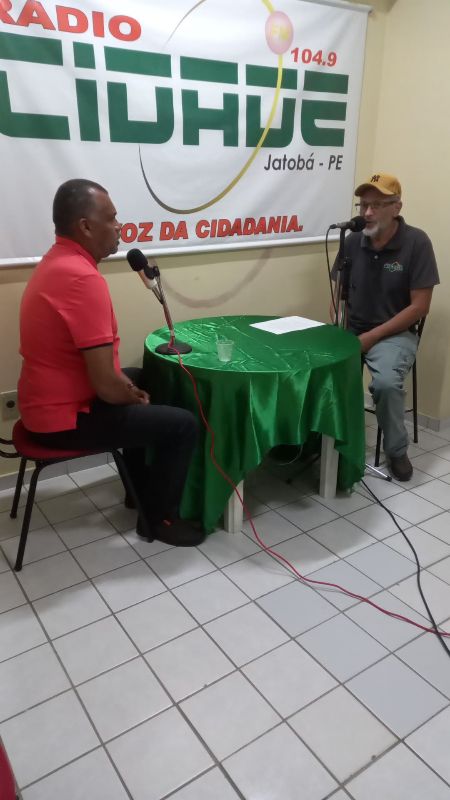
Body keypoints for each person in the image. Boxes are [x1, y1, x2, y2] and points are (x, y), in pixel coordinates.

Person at [18, 178, 204, 546]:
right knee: (182, 425)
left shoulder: (57, 261)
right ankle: (159, 520)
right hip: (61, 419)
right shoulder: (82, 279)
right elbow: (106, 385)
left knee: (141, 377)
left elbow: (106, 376)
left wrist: (131, 389)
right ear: (85, 226)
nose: (119, 226)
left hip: (43, 404)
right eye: (112, 218)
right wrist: (131, 396)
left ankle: (139, 494)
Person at [331, 172, 439, 481]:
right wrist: (338, 329)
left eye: (376, 205)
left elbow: (420, 307)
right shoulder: (353, 241)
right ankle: (327, 442)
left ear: (396, 207)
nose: (367, 213)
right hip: (353, 331)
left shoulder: (417, 242)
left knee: (387, 385)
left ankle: (396, 450)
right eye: (363, 205)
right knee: (321, 372)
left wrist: (370, 337)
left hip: (394, 334)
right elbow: (339, 294)